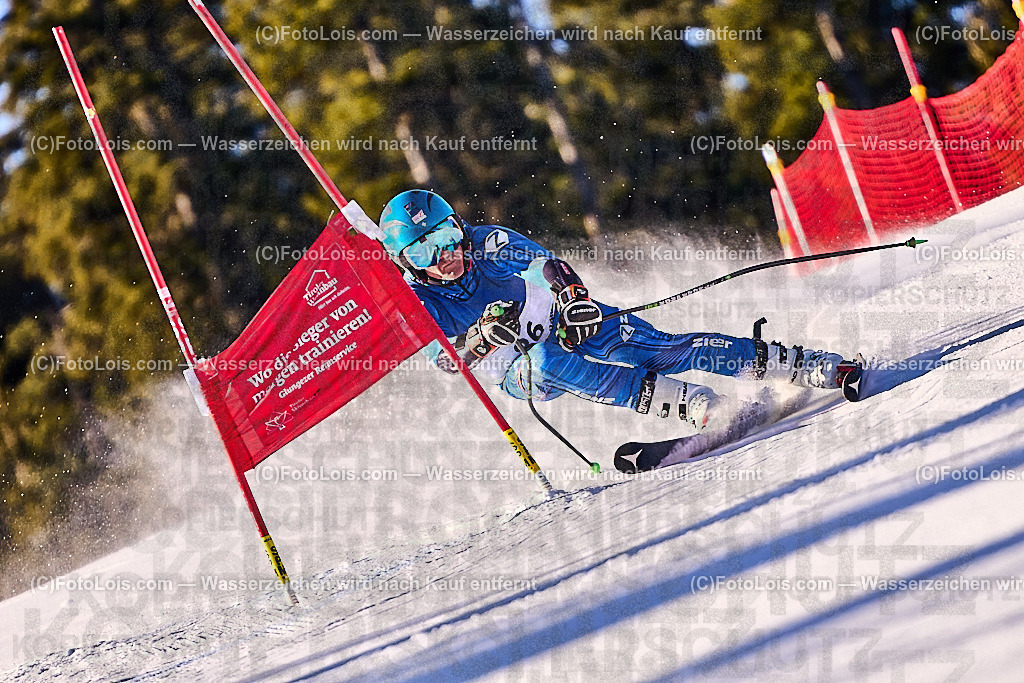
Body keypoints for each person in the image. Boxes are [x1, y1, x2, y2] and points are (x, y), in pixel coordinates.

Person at [378, 189, 851, 433]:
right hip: (516, 366)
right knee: (547, 362)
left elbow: (548, 266)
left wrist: (574, 299)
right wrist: (481, 337)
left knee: (656, 346)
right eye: (426, 252)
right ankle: (696, 405)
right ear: (406, 263)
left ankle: (804, 365)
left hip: (558, 319)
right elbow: (445, 360)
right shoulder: (418, 301)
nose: (447, 256)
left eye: (446, 238)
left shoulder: (486, 243)